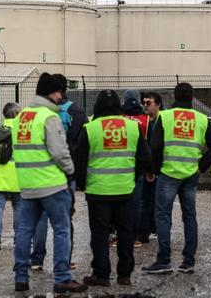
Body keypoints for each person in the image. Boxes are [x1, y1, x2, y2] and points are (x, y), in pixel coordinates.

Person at [13, 73, 86, 294]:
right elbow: (59, 152)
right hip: (52, 184)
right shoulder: (48, 117)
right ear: (51, 93)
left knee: (25, 231)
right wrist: (71, 171)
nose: (60, 96)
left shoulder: (21, 117)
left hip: (27, 185)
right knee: (62, 230)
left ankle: (21, 277)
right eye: (58, 92)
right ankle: (63, 277)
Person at [142, 82, 211, 275]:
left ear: (174, 97)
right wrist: (201, 166)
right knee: (190, 217)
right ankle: (188, 261)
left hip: (168, 174)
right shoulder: (201, 119)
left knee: (163, 216)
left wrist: (155, 169)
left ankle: (164, 260)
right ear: (192, 97)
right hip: (191, 174)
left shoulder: (166, 116)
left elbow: (155, 146)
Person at [75, 90, 151, 287]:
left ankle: (101, 274)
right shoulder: (133, 127)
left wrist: (82, 184)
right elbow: (145, 158)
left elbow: (80, 160)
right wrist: (133, 176)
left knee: (100, 234)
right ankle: (124, 274)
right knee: (126, 233)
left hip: (98, 191)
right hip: (125, 189)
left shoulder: (90, 128)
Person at [28, 74, 88, 270]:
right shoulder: (77, 112)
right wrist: (73, 170)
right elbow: (81, 144)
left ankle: (37, 258)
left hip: (39, 171)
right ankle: (65, 260)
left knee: (39, 218)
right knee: (64, 220)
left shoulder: (37, 112)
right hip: (64, 171)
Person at [0, 102, 22, 251]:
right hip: (17, 176)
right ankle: (18, 238)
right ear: (15, 114)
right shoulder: (21, 131)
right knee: (18, 207)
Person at [121, 89, 149, 249]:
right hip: (138, 163)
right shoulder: (144, 119)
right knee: (138, 202)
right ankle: (136, 234)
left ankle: (119, 233)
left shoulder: (119, 118)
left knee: (120, 201)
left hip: (120, 164)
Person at [138, 91, 163, 243]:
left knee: (156, 200)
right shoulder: (143, 120)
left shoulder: (162, 120)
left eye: (149, 103)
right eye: (144, 103)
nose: (145, 106)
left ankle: (154, 228)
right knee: (145, 200)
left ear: (158, 104)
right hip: (146, 165)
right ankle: (145, 229)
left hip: (158, 165)